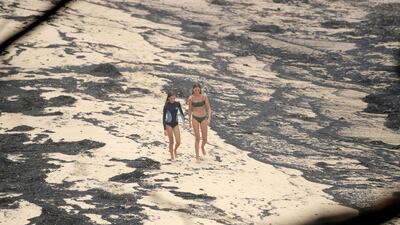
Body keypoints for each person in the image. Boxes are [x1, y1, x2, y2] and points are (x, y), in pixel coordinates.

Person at [188, 83, 212, 161]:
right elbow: (189, 110)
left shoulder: (204, 97)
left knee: (205, 139)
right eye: (195, 90)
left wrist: (209, 119)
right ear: (193, 90)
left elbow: (209, 108)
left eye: (198, 89)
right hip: (195, 117)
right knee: (197, 138)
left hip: (203, 118)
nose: (197, 91)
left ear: (200, 90)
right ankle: (197, 156)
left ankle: (202, 147)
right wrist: (189, 121)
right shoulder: (191, 98)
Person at [162, 92, 185, 161]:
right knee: (171, 141)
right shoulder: (166, 105)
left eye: (174, 98)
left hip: (175, 124)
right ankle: (172, 155)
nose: (173, 100)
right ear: (168, 98)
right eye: (171, 98)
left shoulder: (177, 104)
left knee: (178, 142)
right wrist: (165, 129)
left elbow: (181, 113)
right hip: (168, 124)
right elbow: (163, 117)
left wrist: (184, 123)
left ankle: (175, 150)